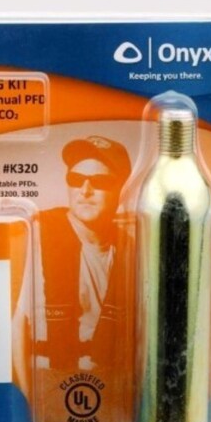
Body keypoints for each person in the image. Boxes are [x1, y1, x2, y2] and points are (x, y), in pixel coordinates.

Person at [37, 135, 132, 373]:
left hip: (109, 375)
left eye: (99, 182)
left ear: (121, 191)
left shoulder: (133, 253)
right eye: (76, 179)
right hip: (47, 372)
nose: (85, 190)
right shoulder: (39, 234)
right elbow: (17, 326)